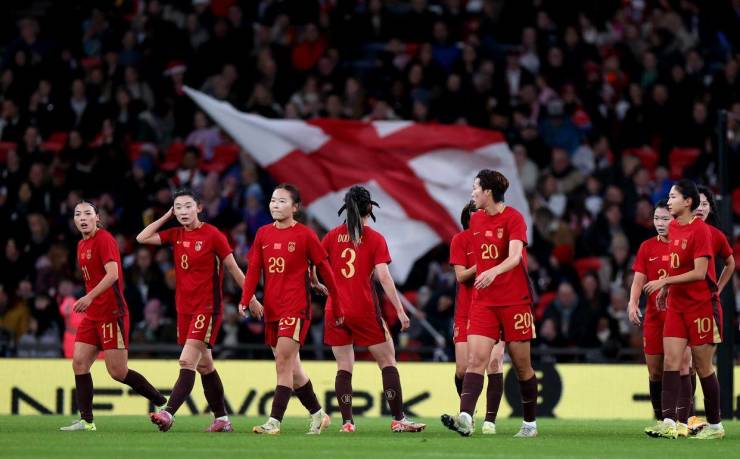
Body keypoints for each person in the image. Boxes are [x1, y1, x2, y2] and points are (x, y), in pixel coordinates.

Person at [137, 188, 260, 432]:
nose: (183, 211)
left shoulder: (213, 235)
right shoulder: (175, 234)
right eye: (178, 207)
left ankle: (168, 413)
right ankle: (222, 419)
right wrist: (167, 216)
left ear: (199, 208)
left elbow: (234, 269)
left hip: (207, 307)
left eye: (188, 206)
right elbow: (142, 237)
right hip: (184, 309)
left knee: (187, 360)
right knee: (205, 366)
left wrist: (251, 298)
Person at [317, 186, 425, 433]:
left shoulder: (331, 236)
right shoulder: (375, 238)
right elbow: (384, 277)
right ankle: (398, 419)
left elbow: (315, 264)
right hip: (363, 308)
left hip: (335, 309)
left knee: (344, 366)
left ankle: (347, 423)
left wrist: (316, 283)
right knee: (387, 361)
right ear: (369, 208)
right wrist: (400, 310)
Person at [238, 183, 343, 435]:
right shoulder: (263, 233)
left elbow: (325, 269)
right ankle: (318, 414)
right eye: (273, 200)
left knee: (283, 362)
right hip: (272, 309)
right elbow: (253, 269)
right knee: (294, 370)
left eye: (282, 201)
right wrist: (246, 298)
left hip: (295, 308)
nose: (275, 205)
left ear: (295, 207)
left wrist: (337, 303)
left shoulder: (305, 235)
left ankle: (274, 422)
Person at [441, 169, 538, 438]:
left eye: (476, 188)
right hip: (484, 302)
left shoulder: (514, 218)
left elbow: (515, 256)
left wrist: (493, 271)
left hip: (515, 301)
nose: (472, 193)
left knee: (522, 366)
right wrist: (482, 272)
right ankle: (465, 418)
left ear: (488, 192)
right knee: (475, 361)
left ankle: (529, 424)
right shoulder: (476, 221)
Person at [60, 201, 166, 432]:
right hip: (93, 315)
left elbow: (113, 275)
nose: (82, 218)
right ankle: (87, 421)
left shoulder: (104, 239)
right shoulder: (81, 244)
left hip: (111, 313)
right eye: (78, 214)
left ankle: (162, 402)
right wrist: (89, 300)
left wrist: (88, 297)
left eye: (87, 213)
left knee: (117, 372)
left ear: (97, 217)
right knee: (79, 363)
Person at [643, 180, 724, 440]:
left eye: (673, 197)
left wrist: (664, 281)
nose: (668, 202)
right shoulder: (675, 227)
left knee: (702, 367)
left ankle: (715, 426)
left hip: (700, 306)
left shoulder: (701, 231)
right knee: (671, 361)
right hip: (676, 306)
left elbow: (700, 272)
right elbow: (677, 266)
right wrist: (667, 289)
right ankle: (668, 422)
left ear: (687, 202)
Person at [681, 186, 735, 434]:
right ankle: (688, 420)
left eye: (705, 204)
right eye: (698, 204)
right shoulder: (680, 232)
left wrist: (718, 289)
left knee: (703, 365)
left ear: (711, 208)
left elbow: (730, 263)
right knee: (685, 364)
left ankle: (715, 423)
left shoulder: (715, 235)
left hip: (705, 306)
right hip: (682, 306)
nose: (701, 208)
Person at [449, 200, 505, 434]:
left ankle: (489, 421)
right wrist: (481, 265)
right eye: (477, 214)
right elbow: (461, 276)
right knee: (463, 369)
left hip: (494, 307)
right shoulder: (460, 240)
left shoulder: (497, 239)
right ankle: (467, 415)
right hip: (466, 312)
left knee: (494, 362)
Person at [627, 200, 672, 424]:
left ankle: (683, 416)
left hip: (679, 316)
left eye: (665, 218)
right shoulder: (647, 247)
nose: (660, 223)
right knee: (655, 371)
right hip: (654, 317)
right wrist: (633, 302)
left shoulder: (684, 245)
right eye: (656, 218)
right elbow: (638, 280)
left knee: (682, 368)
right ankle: (660, 418)